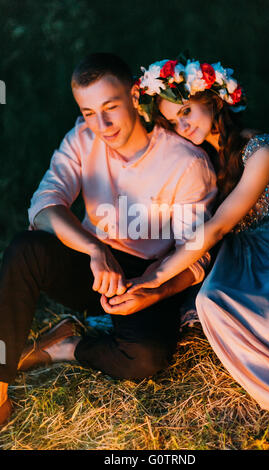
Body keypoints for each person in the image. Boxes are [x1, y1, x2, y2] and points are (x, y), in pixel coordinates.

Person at [0, 53, 217, 426]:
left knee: (146, 357)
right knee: (24, 249)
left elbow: (195, 254)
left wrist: (154, 290)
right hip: (92, 262)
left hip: (148, 274)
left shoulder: (186, 162)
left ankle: (66, 346)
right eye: (88, 112)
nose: (101, 124)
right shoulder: (82, 139)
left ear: (135, 96)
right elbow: (43, 205)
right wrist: (93, 248)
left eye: (110, 107)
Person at [128, 57, 269, 424]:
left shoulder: (262, 149)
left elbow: (220, 225)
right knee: (211, 300)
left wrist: (157, 275)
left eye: (187, 110)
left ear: (216, 99)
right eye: (174, 121)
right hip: (241, 253)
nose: (183, 125)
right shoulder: (199, 160)